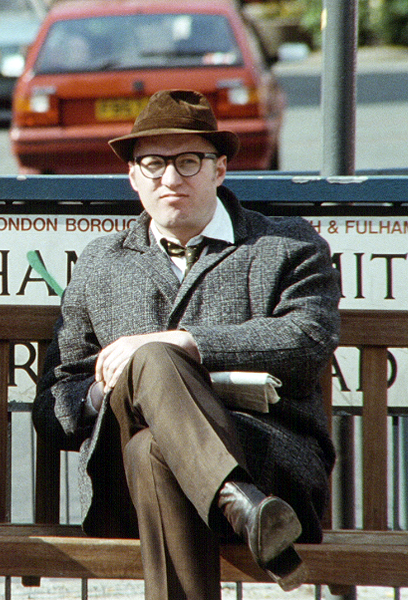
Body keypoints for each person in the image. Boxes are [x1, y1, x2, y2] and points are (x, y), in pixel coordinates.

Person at [32, 89, 340, 599]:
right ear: (133, 176)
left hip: (271, 473)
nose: (170, 179)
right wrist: (112, 387)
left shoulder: (286, 245)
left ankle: (236, 495)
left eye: (189, 161)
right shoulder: (101, 263)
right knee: (148, 369)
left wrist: (183, 342)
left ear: (220, 170)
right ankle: (237, 499)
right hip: (127, 494)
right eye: (153, 164)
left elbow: (307, 341)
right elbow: (53, 408)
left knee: (154, 446)